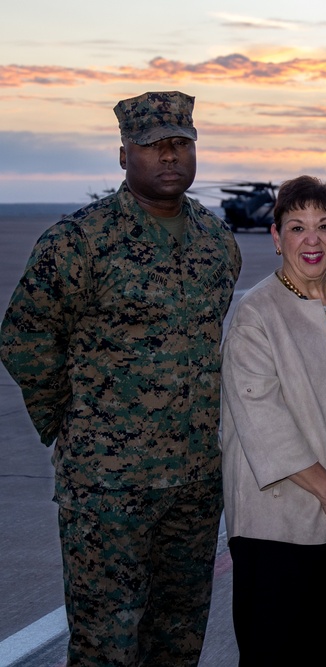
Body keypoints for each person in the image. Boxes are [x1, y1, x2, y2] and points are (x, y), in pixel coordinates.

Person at [0, 91, 241, 666]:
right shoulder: (79, 240)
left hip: (195, 481)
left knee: (178, 638)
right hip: (109, 490)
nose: (168, 156)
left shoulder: (216, 243)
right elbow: (24, 335)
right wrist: (73, 419)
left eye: (180, 144)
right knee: (105, 645)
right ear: (123, 154)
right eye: (152, 146)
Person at [220, 175, 326, 665]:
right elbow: (263, 422)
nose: (311, 239)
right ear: (276, 238)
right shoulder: (256, 316)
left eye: (324, 226)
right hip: (280, 524)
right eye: (296, 227)